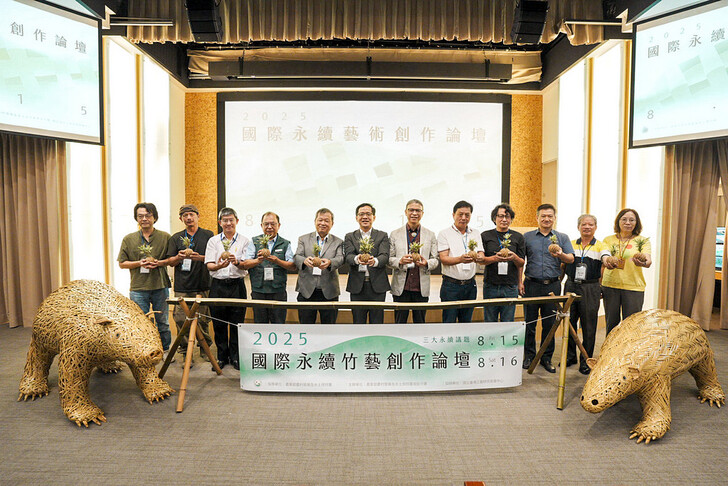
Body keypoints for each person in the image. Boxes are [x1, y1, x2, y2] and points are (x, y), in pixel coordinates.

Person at [522, 203, 574, 373]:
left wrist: (560, 254)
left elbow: (570, 259)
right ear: (537, 218)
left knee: (550, 323)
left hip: (552, 285)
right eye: (543, 216)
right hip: (531, 285)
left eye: (550, 216)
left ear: (554, 218)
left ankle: (546, 357)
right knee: (529, 323)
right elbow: (521, 261)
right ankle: (529, 356)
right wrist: (519, 282)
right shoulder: (527, 237)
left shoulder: (562, 237)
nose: (546, 219)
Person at [118, 202, 172, 359]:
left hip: (160, 286)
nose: (144, 219)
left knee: (163, 322)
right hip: (138, 288)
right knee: (141, 322)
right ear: (136, 218)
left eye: (148, 215)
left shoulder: (165, 237)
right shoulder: (129, 239)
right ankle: (144, 351)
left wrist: (159, 263)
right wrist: (139, 263)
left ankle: (165, 350)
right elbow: (122, 263)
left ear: (154, 217)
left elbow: (172, 259)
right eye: (140, 216)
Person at [165, 204, 214, 363]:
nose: (188, 218)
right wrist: (179, 257)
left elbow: (213, 258)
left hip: (203, 283)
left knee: (203, 319)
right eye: (185, 215)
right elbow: (170, 261)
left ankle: (205, 348)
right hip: (182, 286)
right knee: (181, 319)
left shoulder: (208, 235)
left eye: (191, 214)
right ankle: (186, 351)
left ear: (198, 216)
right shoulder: (176, 237)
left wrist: (199, 258)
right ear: (181, 219)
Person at [563, 214, 610, 375]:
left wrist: (609, 261)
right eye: (584, 224)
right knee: (569, 323)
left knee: (589, 325)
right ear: (578, 227)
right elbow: (563, 264)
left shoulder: (601, 245)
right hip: (571, 285)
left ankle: (586, 360)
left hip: (590, 287)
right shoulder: (570, 244)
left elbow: (605, 259)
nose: (587, 227)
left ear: (595, 227)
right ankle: (570, 357)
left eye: (590, 224)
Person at [205, 207, 249, 370]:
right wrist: (219, 266)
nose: (228, 223)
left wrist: (237, 262)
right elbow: (209, 265)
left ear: (237, 221)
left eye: (231, 220)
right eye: (225, 220)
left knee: (237, 323)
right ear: (220, 222)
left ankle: (235, 357)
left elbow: (247, 264)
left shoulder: (245, 241)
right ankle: (222, 356)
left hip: (237, 285)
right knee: (219, 323)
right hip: (218, 285)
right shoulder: (213, 241)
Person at [601, 208, 652, 335]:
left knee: (631, 325)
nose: (628, 222)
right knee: (611, 324)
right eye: (624, 219)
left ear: (636, 223)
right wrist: (607, 262)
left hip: (633, 287)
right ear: (618, 221)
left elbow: (648, 261)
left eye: (632, 220)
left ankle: (629, 348)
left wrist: (643, 262)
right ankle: (610, 347)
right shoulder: (608, 239)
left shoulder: (642, 241)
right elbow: (604, 257)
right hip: (610, 285)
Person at [388, 199, 440, 323]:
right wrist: (400, 261)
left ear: (422, 213)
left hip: (420, 287)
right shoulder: (395, 234)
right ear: (405, 212)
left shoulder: (430, 235)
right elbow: (389, 259)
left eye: (418, 210)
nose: (414, 213)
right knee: (399, 323)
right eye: (411, 210)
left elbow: (436, 259)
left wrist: (426, 263)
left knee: (420, 323)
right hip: (401, 287)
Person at [242, 212, 296, 324]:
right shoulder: (254, 242)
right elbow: (246, 264)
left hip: (278, 291)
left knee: (279, 324)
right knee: (260, 324)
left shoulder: (285, 243)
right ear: (261, 225)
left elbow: (292, 266)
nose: (269, 227)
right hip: (258, 291)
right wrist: (257, 261)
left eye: (273, 224)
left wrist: (277, 261)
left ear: (279, 225)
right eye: (266, 224)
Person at [437, 201, 485, 323]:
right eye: (460, 214)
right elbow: (443, 258)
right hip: (451, 286)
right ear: (453, 215)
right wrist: (460, 259)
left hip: (470, 285)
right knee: (449, 322)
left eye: (467, 215)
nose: (463, 218)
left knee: (466, 322)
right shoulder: (444, 233)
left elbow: (481, 253)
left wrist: (478, 257)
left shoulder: (475, 233)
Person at [294, 208, 344, 324]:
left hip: (329, 291)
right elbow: (296, 256)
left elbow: (341, 258)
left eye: (326, 221)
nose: (323, 223)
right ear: (315, 221)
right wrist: (304, 260)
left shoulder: (338, 241)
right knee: (306, 326)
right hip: (306, 290)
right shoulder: (303, 239)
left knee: (328, 327)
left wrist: (330, 262)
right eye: (320, 220)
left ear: (332, 223)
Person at [343, 203, 391, 323]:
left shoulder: (382, 235)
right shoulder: (350, 236)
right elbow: (348, 256)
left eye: (368, 214)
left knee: (377, 322)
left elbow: (385, 256)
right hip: (357, 286)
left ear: (374, 217)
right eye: (361, 214)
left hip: (377, 286)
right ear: (356, 217)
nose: (365, 217)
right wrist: (357, 259)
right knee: (358, 322)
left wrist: (375, 261)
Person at [480, 203, 525, 323]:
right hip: (491, 285)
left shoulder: (518, 237)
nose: (504, 219)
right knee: (490, 321)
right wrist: (495, 258)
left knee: (508, 322)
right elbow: (481, 261)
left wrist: (514, 257)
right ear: (494, 218)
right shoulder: (485, 235)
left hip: (510, 286)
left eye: (507, 216)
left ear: (511, 219)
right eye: (500, 216)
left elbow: (521, 263)